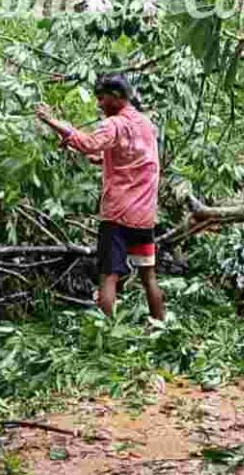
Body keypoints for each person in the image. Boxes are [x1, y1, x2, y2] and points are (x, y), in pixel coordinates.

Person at [35, 73, 164, 321]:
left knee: (108, 276)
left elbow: (90, 143)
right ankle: (162, 328)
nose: (99, 104)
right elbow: (133, 159)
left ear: (116, 97)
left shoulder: (114, 124)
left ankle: (105, 336)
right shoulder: (146, 125)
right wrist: (100, 159)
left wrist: (52, 121)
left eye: (101, 98)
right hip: (145, 216)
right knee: (149, 277)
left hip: (118, 215)